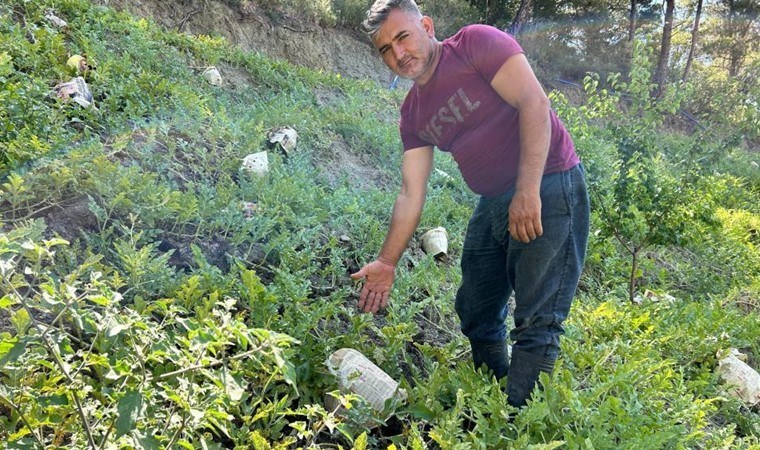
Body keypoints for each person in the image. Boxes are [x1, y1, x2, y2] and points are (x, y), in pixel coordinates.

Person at [350, 0, 590, 408]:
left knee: (537, 320)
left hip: (549, 183)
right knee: (476, 309)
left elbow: (535, 103)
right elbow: (411, 192)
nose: (398, 54)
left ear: (426, 25)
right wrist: (387, 262)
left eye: (402, 37)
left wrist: (527, 190)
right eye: (385, 49)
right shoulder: (412, 114)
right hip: (493, 200)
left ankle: (517, 425)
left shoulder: (475, 44)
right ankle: (493, 399)